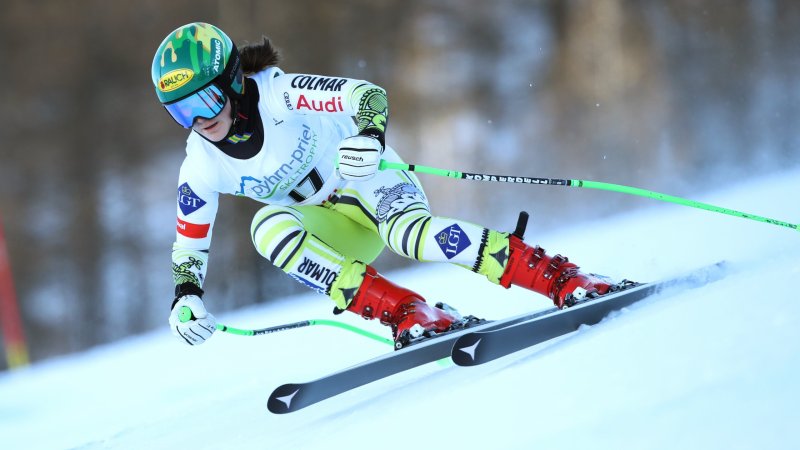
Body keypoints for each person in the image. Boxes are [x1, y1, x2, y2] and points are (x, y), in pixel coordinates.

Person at [152, 22, 616, 347]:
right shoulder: (201, 164)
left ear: (232, 81)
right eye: (180, 112)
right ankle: (408, 313)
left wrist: (371, 135)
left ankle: (562, 277)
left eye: (206, 100)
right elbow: (189, 245)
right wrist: (185, 296)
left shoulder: (278, 93)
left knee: (410, 237)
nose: (200, 120)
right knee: (266, 229)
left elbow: (365, 94)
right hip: (333, 225)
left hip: (366, 178)